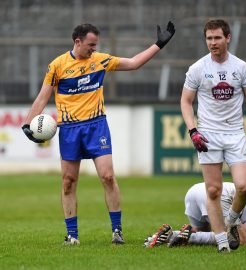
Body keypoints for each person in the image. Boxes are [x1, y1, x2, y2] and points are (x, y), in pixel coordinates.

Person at [22, 22, 175, 245]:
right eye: (90, 45)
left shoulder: (101, 60)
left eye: (96, 45)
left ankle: (117, 231)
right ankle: (72, 235)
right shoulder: (57, 66)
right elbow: (42, 98)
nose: (94, 49)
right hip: (69, 129)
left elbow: (133, 63)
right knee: (68, 181)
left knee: (108, 176)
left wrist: (159, 44)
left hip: (96, 126)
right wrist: (27, 125)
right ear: (77, 42)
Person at [180, 19, 246, 252]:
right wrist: (193, 130)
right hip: (208, 135)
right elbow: (186, 102)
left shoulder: (241, 67)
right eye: (209, 38)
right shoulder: (197, 68)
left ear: (228, 38)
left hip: (235, 133)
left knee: (244, 186)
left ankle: (231, 222)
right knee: (213, 190)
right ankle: (223, 243)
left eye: (217, 38)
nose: (212, 43)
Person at [144, 182, 246, 248]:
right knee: (229, 238)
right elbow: (241, 235)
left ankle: (168, 235)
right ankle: (186, 237)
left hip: (194, 191)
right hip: (217, 196)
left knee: (200, 235)